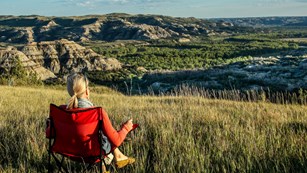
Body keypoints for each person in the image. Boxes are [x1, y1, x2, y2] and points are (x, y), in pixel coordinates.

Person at [66, 72, 135, 169]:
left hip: (68, 151)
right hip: (92, 152)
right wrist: (126, 128)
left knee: (101, 135)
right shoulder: (97, 113)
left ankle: (114, 158)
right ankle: (116, 156)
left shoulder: (62, 111)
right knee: (107, 137)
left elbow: (49, 134)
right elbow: (116, 141)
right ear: (87, 92)